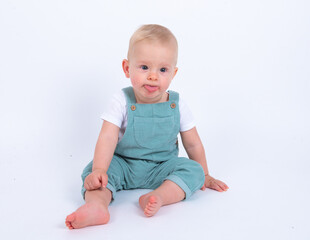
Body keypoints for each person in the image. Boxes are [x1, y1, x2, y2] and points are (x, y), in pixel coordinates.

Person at [65, 24, 229, 230]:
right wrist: (99, 170)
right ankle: (97, 206)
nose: (153, 76)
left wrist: (205, 174)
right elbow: (107, 138)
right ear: (127, 68)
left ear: (173, 73)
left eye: (162, 69)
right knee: (93, 172)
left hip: (162, 168)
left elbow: (193, 143)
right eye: (144, 67)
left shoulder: (177, 104)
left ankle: (159, 196)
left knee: (193, 170)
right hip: (124, 165)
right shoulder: (121, 100)